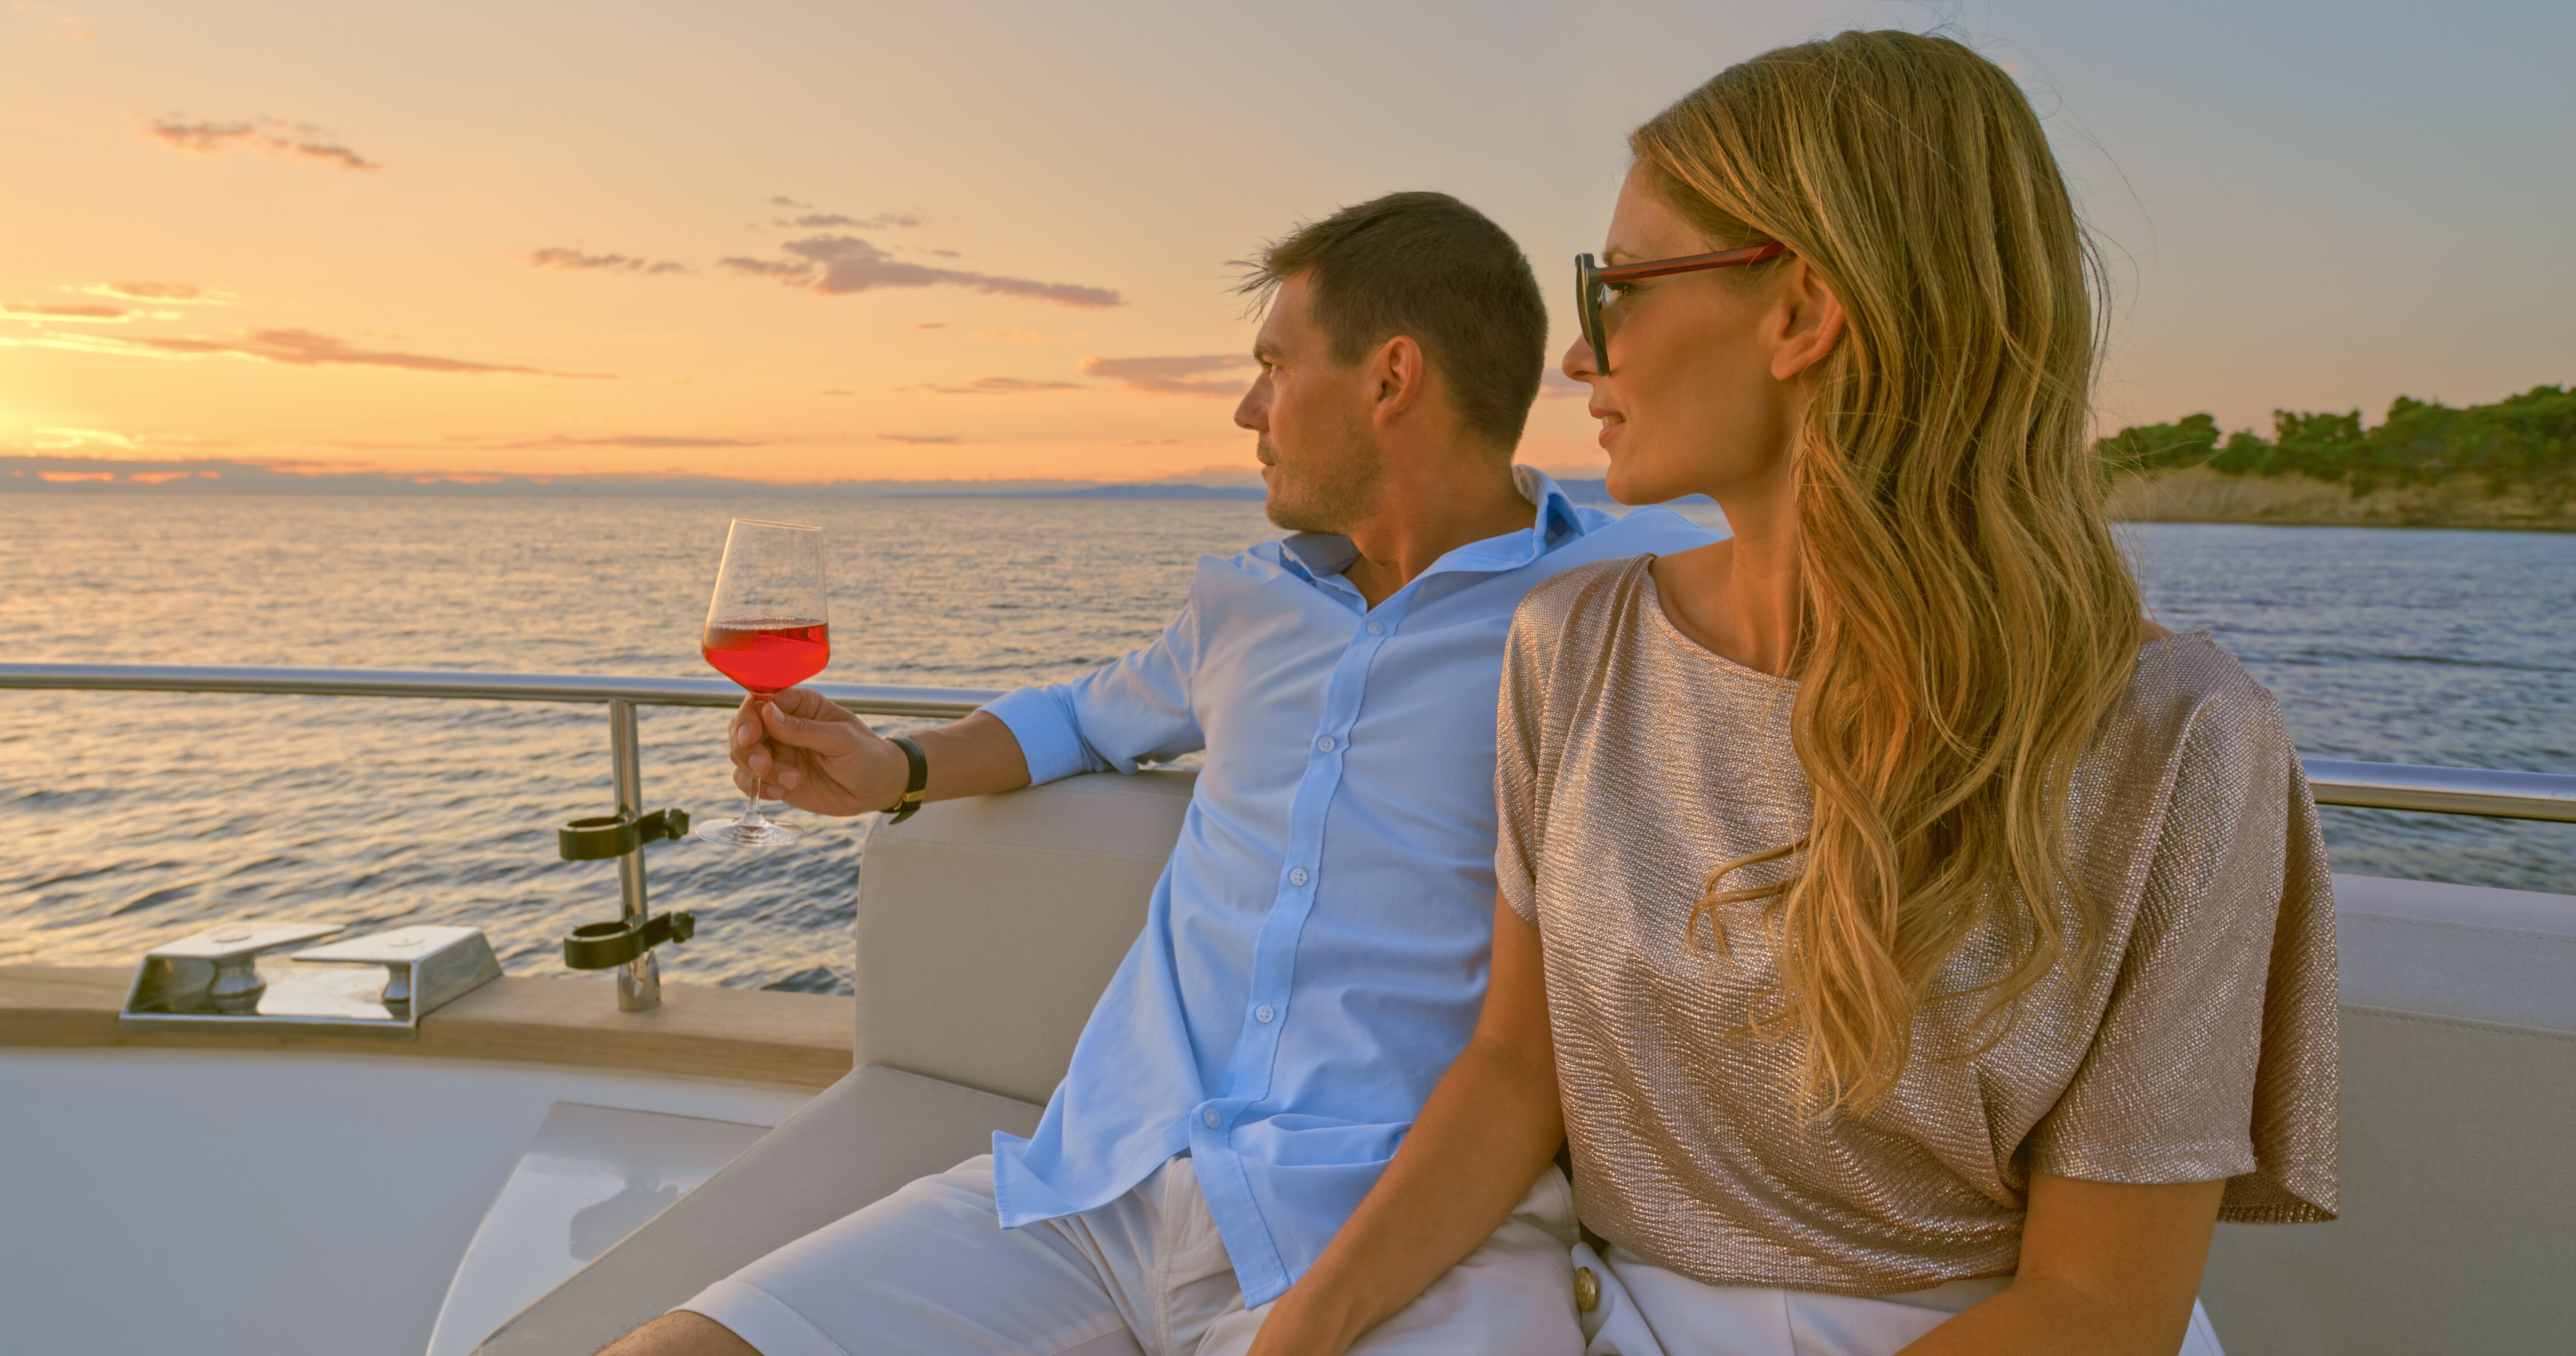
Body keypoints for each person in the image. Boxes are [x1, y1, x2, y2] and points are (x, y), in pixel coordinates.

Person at [1246, 32, 2338, 1356]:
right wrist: (1304, 1326)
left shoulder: (2178, 736)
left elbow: (2102, 1306)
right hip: (1613, 1311)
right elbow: (1517, 1070)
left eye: (1616, 288)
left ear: (1803, 313)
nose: (1582, 357)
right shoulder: (1570, 651)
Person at [602, 191, 1719, 1356]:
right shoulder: (1245, 603)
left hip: (1407, 1237)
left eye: (1273, 367)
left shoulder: (1627, 597)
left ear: (1391, 379)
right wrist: (894, 768)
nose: (1247, 410)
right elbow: (1077, 719)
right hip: (1098, 1189)